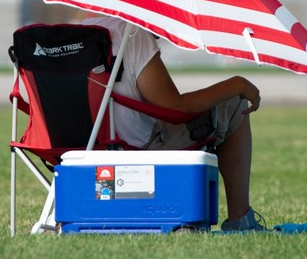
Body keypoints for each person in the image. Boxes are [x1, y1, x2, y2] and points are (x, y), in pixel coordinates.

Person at [80, 13, 267, 232]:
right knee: (234, 103)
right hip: (134, 148)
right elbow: (174, 106)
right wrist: (237, 84)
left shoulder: (82, 30)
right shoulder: (131, 33)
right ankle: (240, 218)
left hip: (81, 148)